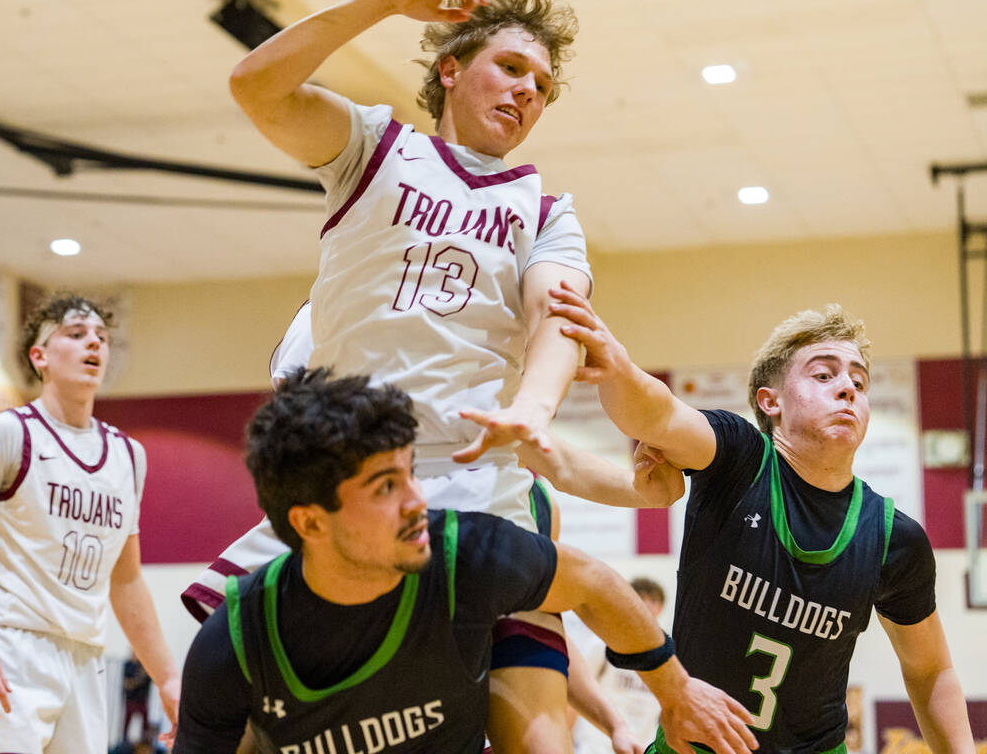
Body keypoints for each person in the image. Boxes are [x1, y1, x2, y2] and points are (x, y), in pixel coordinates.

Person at [187, 0, 649, 749]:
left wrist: (531, 413)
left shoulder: (544, 210)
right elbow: (255, 86)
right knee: (260, 715)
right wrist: (384, 3)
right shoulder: (374, 148)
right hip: (357, 481)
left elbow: (558, 317)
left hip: (476, 476)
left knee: (539, 737)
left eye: (542, 84)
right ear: (450, 68)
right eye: (510, 66)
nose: (527, 90)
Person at [475, 288, 975, 754]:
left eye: (859, 381)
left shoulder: (895, 538)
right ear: (769, 401)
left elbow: (930, 671)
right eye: (824, 374)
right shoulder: (740, 458)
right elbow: (656, 413)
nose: (847, 387)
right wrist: (619, 371)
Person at [174, 368, 755, 754]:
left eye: (409, 473)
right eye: (385, 487)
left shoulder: (464, 551)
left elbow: (595, 585)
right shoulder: (238, 639)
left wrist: (674, 691)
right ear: (309, 522)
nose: (418, 499)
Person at [0, 293, 180, 754]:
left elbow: (127, 580)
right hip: (10, 649)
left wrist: (168, 676)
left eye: (101, 337)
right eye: (75, 335)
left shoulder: (128, 456)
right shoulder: (7, 434)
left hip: (86, 657)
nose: (92, 344)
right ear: (40, 356)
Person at [565, 578, 666, 754]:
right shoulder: (601, 644)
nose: (647, 605)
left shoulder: (668, 655)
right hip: (596, 746)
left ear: (661, 608)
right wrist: (566, 741)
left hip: (642, 746)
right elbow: (577, 692)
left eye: (653, 600)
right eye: (641, 598)